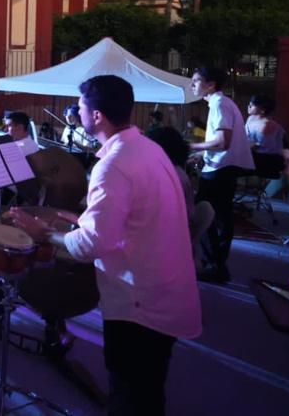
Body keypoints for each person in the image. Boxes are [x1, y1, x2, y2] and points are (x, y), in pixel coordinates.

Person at [10, 75, 201, 416]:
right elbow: (137, 218)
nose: (77, 111)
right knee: (148, 393)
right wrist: (81, 218)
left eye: (80, 106)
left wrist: (44, 233)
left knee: (129, 397)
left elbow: (89, 247)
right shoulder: (148, 148)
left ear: (96, 115)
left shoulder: (113, 165)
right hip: (166, 289)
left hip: (141, 305)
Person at [189, 66, 254, 283]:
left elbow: (222, 142)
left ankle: (214, 265)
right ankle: (217, 265)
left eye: (196, 81)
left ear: (210, 84)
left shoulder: (219, 104)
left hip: (220, 168)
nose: (192, 85)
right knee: (220, 217)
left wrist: (190, 146)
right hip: (222, 167)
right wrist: (201, 154)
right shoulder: (222, 103)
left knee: (205, 215)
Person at [246, 94, 286, 177]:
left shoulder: (268, 125)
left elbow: (266, 146)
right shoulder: (251, 119)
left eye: (252, 105)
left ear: (262, 110)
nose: (249, 107)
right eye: (249, 104)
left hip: (268, 158)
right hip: (254, 154)